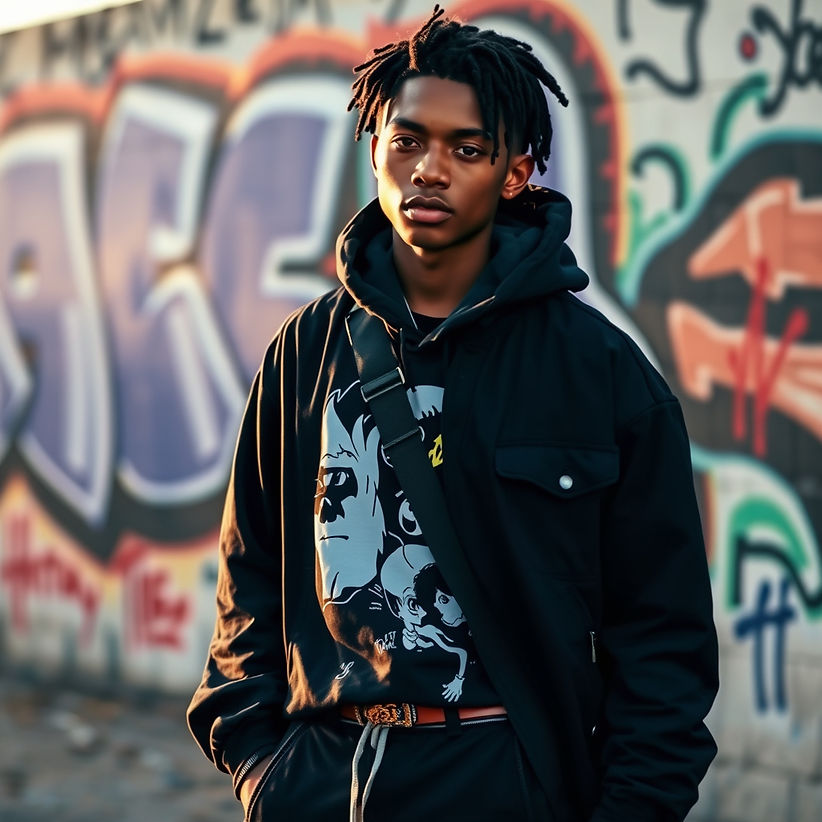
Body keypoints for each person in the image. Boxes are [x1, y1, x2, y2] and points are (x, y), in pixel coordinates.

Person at [187, 6, 719, 821]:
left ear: (516, 172)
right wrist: (264, 766)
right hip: (325, 781)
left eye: (466, 148)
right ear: (375, 149)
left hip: (505, 779)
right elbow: (247, 574)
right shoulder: (302, 355)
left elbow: (662, 638)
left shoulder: (601, 374)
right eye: (407, 141)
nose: (429, 169)